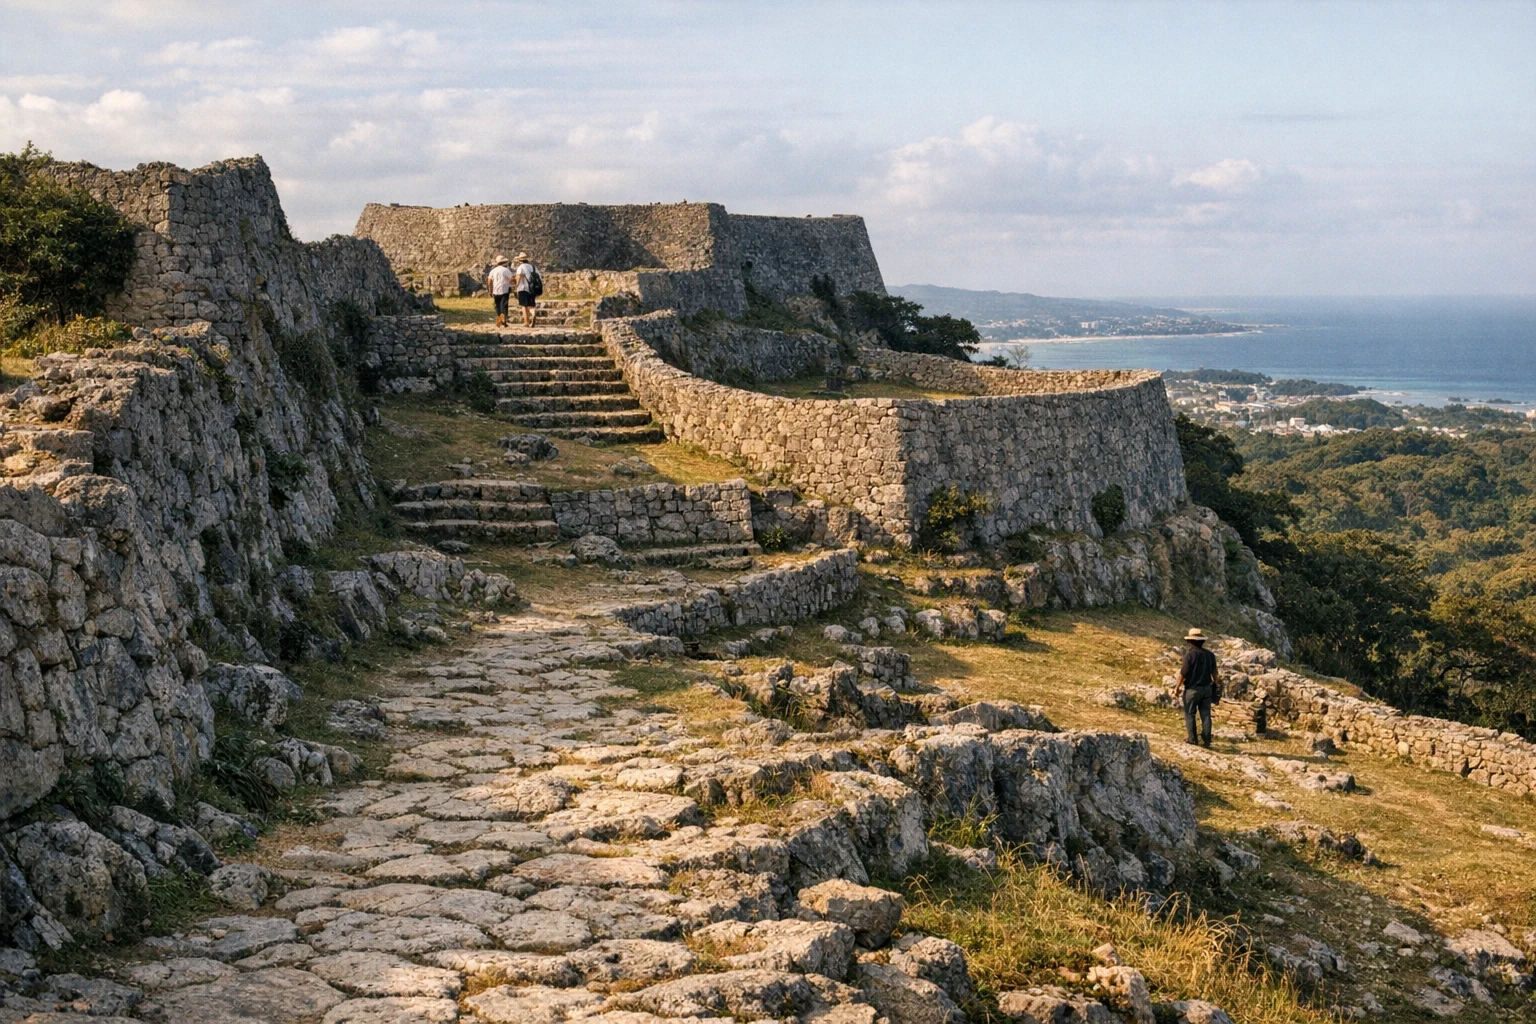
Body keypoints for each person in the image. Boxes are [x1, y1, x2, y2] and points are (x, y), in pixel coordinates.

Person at [1177, 627, 1219, 747]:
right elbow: (1214, 672)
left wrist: (1177, 687)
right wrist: (1215, 683)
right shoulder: (1210, 655)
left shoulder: (1189, 655)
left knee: (1190, 713)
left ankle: (1192, 739)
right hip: (1207, 688)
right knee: (1205, 714)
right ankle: (1207, 741)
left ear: (1189, 641)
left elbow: (1183, 673)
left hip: (1192, 689)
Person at [486, 256, 514, 328]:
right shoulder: (506, 270)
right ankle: (504, 319)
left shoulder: (493, 271)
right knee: (504, 305)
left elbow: (489, 281)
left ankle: (499, 319)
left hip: (495, 291)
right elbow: (511, 280)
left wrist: (490, 290)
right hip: (504, 290)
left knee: (497, 305)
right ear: (504, 263)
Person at [513, 251, 538, 327]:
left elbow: (519, 277)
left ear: (519, 260)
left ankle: (526, 322)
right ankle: (533, 313)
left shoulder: (521, 267)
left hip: (523, 288)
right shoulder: (533, 267)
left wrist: (515, 286)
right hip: (532, 288)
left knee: (524, 305)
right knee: (531, 305)